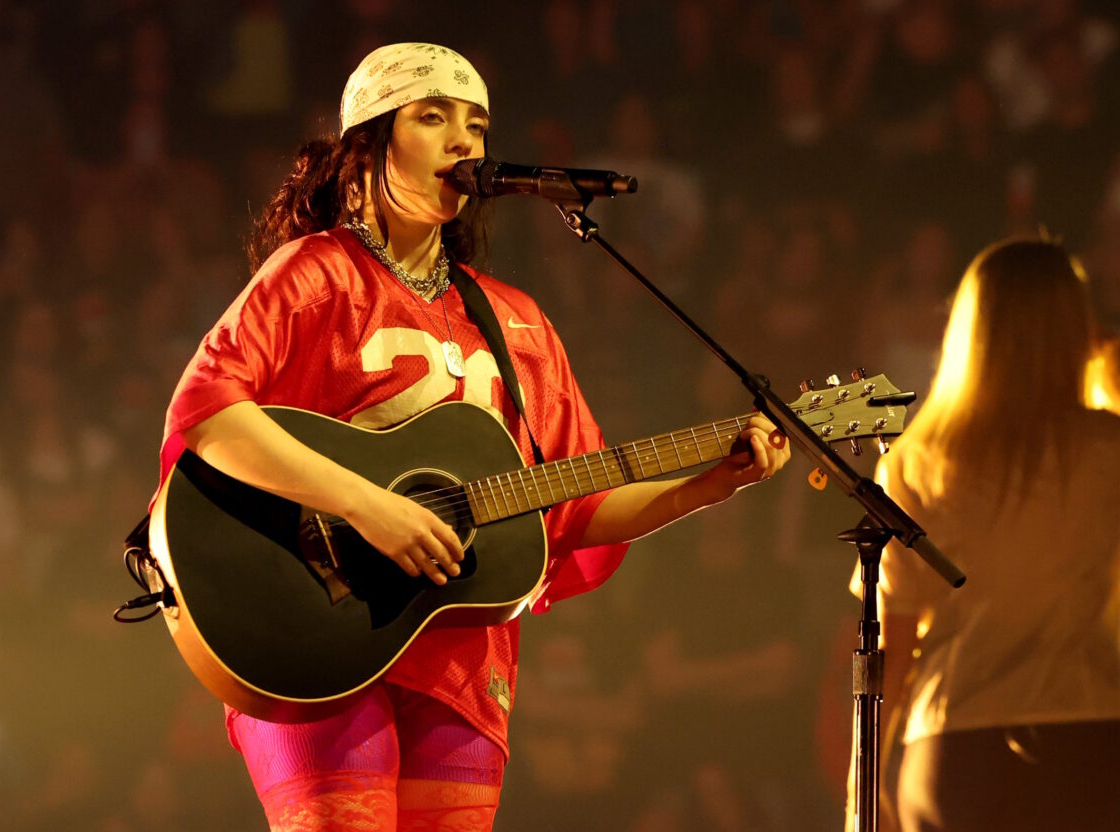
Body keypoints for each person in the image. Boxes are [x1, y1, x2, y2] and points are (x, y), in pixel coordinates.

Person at [155, 43, 789, 831]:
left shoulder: (516, 320)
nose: (464, 143)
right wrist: (370, 508)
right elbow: (209, 412)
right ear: (368, 147)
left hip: (461, 659)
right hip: (311, 631)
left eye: (477, 125)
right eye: (433, 117)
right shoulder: (316, 274)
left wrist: (711, 484)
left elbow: (576, 509)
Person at [848, 238, 1120, 831]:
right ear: (1075, 328)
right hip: (1082, 737)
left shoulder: (918, 460)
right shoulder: (1109, 445)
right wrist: (1118, 387)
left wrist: (866, 776)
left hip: (954, 744)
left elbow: (896, 631)